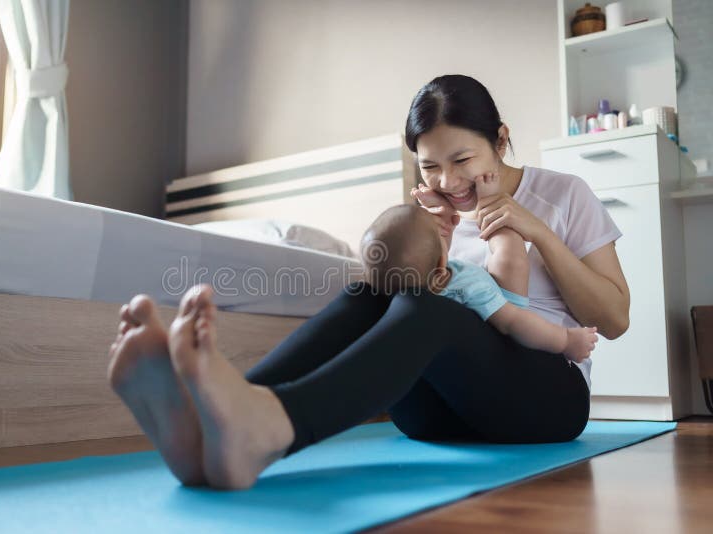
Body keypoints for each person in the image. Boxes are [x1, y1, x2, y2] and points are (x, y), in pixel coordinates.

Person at [107, 74, 630, 490]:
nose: (448, 182)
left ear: (500, 140)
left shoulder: (563, 193)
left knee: (431, 311)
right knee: (377, 287)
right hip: (439, 412)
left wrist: (535, 229)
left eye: (462, 160)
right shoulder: (435, 211)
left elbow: (615, 319)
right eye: (430, 168)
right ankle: (210, 421)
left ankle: (271, 427)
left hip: (545, 401)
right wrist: (424, 239)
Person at [359, 204, 598, 362]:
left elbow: (431, 254)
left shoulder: (388, 297)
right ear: (444, 263)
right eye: (440, 231)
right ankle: (491, 201)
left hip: (439, 377)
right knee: (508, 252)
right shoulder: (466, 282)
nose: (445, 228)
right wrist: (566, 340)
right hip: (498, 349)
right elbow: (514, 321)